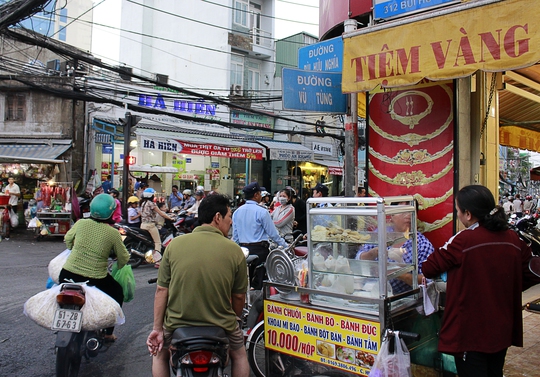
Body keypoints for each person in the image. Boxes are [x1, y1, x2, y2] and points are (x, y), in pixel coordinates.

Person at [423, 185, 540, 377]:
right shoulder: (512, 238)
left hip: (471, 331)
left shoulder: (464, 240)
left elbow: (429, 268)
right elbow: (530, 271)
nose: (458, 215)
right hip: (502, 327)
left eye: (458, 210)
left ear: (468, 214)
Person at [146, 194, 250, 377]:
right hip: (222, 325)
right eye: (229, 217)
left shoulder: (174, 245)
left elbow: (162, 290)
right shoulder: (234, 250)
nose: (231, 222)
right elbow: (239, 296)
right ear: (217, 217)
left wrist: (157, 329)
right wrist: (234, 318)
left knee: (160, 354)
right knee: (240, 355)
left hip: (176, 324)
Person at [59, 194, 130, 342]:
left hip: (67, 273)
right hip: (95, 279)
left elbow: (67, 239)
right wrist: (120, 265)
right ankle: (108, 333)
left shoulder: (81, 223)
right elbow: (124, 257)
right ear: (111, 212)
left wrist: (73, 247)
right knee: (117, 292)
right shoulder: (112, 233)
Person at [355, 200, 434, 294]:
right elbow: (358, 261)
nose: (408, 215)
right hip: (366, 291)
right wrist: (372, 253)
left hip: (400, 298)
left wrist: (399, 273)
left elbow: (428, 281)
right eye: (402, 211)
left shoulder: (422, 245)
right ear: (392, 215)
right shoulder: (379, 234)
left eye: (411, 211)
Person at [232, 182, 287, 290]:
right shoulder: (262, 212)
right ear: (256, 195)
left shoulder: (237, 212)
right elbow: (273, 234)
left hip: (243, 251)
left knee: (244, 282)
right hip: (259, 250)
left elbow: (236, 237)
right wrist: (285, 245)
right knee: (260, 283)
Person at [139, 188, 173, 267]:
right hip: (150, 225)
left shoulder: (143, 203)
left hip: (143, 224)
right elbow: (161, 213)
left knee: (148, 242)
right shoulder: (151, 204)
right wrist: (170, 218)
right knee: (158, 242)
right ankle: (157, 261)